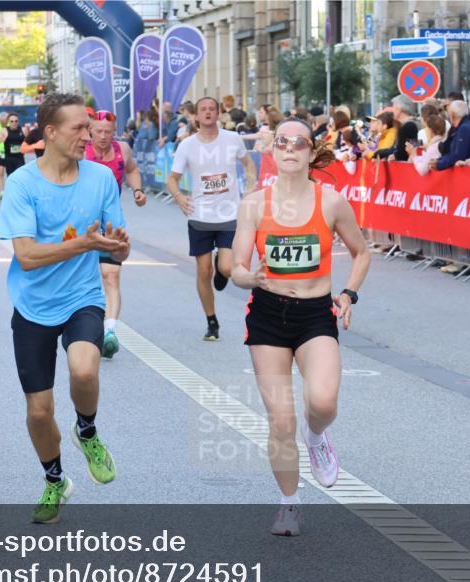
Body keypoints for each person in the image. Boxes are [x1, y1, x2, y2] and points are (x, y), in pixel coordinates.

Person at [230, 118, 370, 536]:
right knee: (280, 420)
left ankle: (317, 437)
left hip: (315, 315)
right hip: (268, 316)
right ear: (272, 151)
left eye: (299, 143)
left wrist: (348, 294)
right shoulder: (254, 204)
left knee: (323, 402)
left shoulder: (331, 201)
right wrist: (247, 277)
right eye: (282, 142)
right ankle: (289, 503)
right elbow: (236, 266)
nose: (289, 148)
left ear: (312, 153)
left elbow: (361, 253)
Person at [0, 93, 130, 524]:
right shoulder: (22, 184)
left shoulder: (101, 178)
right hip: (34, 305)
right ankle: (55, 479)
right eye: (78, 128)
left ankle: (87, 430)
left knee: (85, 370)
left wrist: (118, 248)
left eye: (90, 127)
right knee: (38, 411)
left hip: (82, 298)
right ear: (49, 133)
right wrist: (85, 244)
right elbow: (28, 255)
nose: (88, 135)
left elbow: (114, 246)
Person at [167, 96, 257, 341]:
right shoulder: (187, 145)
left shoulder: (232, 139)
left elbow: (248, 164)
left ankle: (222, 268)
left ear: (218, 113)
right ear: (196, 116)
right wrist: (179, 197)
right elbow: (172, 178)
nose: (207, 112)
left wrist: (250, 186)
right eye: (202, 109)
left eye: (211, 109)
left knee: (227, 268)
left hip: (229, 214)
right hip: (200, 216)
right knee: (203, 270)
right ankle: (211, 320)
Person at [85, 109, 147, 359]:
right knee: (86, 278)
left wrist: (138, 190)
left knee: (111, 276)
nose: (103, 136)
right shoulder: (81, 150)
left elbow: (131, 169)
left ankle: (109, 331)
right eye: (98, 131)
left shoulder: (122, 150)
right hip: (82, 224)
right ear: (90, 130)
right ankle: (85, 329)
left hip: (112, 222)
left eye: (108, 132)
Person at [435, 100, 470, 170]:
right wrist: (439, 160)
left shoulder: (464, 128)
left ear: (452, 114)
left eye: (449, 112)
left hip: (467, 174)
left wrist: (439, 164)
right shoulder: (463, 126)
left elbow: (458, 156)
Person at [0, 113, 27, 180]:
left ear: (18, 121)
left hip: (20, 158)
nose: (14, 123)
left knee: (20, 177)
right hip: (9, 159)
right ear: (9, 122)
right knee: (11, 178)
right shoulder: (5, 131)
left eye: (16, 121)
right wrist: (2, 139)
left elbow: (29, 141)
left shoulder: (23, 130)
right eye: (12, 121)